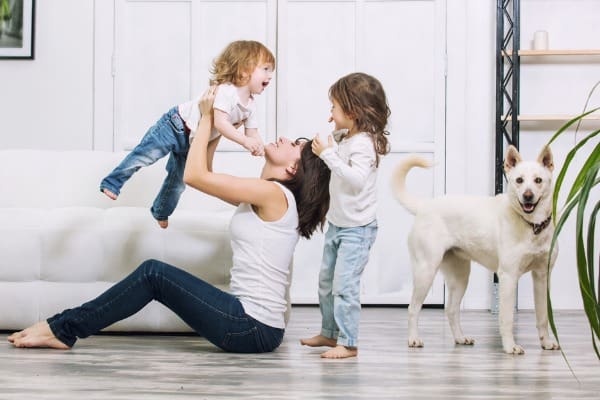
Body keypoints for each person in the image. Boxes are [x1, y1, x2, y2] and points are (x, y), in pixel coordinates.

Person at [8, 87, 331, 353]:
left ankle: (62, 328)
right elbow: (207, 173)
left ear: (293, 170)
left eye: (296, 146)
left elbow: (193, 175)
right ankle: (61, 327)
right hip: (252, 325)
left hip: (251, 328)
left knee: (154, 274)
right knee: (154, 275)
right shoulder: (267, 195)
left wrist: (205, 118)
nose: (287, 138)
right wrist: (218, 123)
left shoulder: (272, 194)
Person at [100, 40, 274, 229]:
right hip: (176, 126)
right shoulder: (226, 91)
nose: (270, 76)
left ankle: (160, 211)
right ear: (244, 70)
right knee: (145, 155)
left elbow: (253, 132)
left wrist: (259, 146)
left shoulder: (250, 105)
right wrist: (245, 141)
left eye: (271, 70)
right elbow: (220, 123)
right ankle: (112, 182)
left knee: (178, 181)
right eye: (265, 69)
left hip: (193, 141)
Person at [300, 72, 390, 359]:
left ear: (352, 112)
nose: (330, 114)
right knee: (326, 282)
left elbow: (356, 180)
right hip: (339, 224)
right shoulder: (350, 137)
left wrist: (328, 153)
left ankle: (348, 343)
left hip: (357, 229)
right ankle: (330, 332)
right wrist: (334, 141)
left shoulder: (364, 144)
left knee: (344, 286)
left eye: (334, 108)